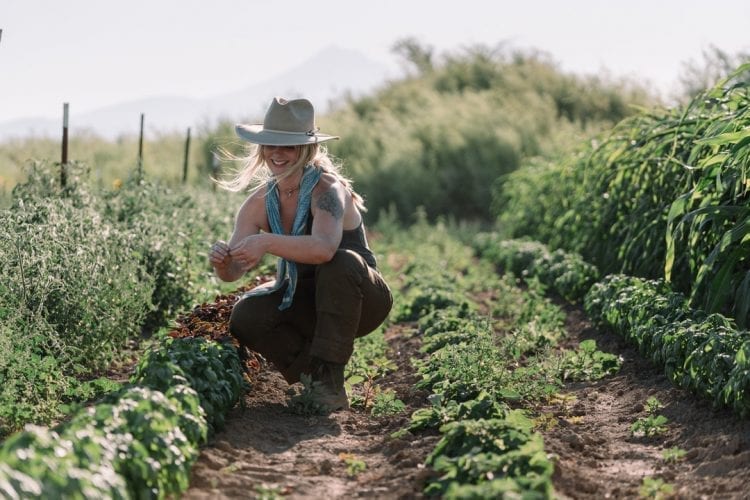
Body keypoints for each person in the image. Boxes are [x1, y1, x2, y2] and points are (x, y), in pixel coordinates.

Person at [208, 97, 393, 412]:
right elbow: (232, 273)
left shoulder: (327, 191)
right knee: (246, 314)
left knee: (341, 262)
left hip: (358, 301)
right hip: (308, 302)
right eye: (270, 145)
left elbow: (323, 249)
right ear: (261, 149)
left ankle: (329, 380)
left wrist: (266, 242)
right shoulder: (259, 202)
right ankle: (315, 380)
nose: (277, 153)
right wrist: (224, 263)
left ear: (306, 150)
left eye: (288, 146)